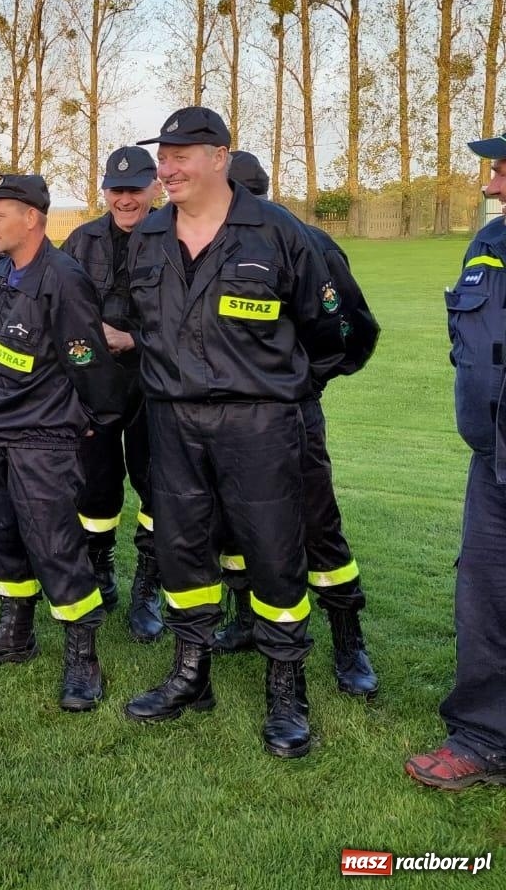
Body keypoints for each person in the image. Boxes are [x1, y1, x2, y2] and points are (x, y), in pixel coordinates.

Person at [121, 107, 343, 760]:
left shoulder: (277, 233)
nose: (166, 167)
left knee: (274, 553)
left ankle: (286, 688)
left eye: (181, 154)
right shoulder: (150, 235)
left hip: (258, 424)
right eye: (162, 155)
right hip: (173, 422)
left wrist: (279, 390)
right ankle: (191, 675)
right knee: (183, 551)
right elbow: (146, 324)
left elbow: (331, 332)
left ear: (220, 156)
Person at [0, 175, 121, 711]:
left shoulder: (65, 279)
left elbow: (88, 359)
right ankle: (14, 633)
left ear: (32, 217)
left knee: (56, 548)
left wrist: (92, 416)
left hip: (41, 439)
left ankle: (83, 657)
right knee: (3, 539)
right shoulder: (1, 272)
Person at [215, 152, 380, 697]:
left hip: (288, 416)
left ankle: (348, 638)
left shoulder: (301, 240)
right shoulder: (194, 246)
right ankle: (245, 617)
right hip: (220, 419)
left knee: (316, 525)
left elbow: (350, 329)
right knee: (231, 526)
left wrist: (304, 385)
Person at [406, 129, 506, 789]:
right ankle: (484, 740)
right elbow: (466, 337)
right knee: (487, 597)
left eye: (501, 169)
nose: (490, 182)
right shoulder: (489, 244)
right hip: (493, 458)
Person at [60, 146, 164, 641]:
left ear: (155, 188)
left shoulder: (177, 237)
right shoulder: (80, 242)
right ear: (104, 191)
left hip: (157, 384)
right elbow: (59, 306)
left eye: (136, 189)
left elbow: (196, 321)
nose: (126, 199)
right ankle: (100, 573)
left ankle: (148, 585)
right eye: (117, 190)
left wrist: (134, 340)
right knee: (95, 487)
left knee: (156, 486)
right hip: (95, 387)